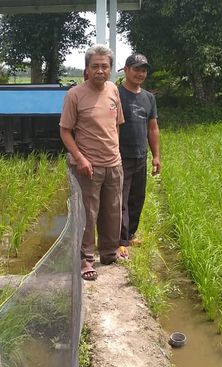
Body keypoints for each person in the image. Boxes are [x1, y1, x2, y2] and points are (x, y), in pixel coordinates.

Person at [60, 44, 125, 281]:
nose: (100, 70)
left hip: (113, 163)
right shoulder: (75, 95)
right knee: (88, 213)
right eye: (95, 66)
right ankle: (85, 258)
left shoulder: (113, 91)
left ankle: (109, 252)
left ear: (110, 69)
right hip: (88, 166)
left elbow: (116, 125)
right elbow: (65, 132)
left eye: (104, 66)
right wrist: (80, 159)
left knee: (113, 210)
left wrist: (116, 155)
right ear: (87, 69)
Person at [117, 53, 161, 258]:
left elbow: (153, 129)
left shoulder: (148, 98)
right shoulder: (116, 94)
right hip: (120, 156)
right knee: (120, 199)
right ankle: (119, 240)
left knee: (137, 197)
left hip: (140, 156)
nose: (140, 73)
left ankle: (131, 233)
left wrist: (156, 156)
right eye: (136, 69)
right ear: (125, 70)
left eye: (143, 70)